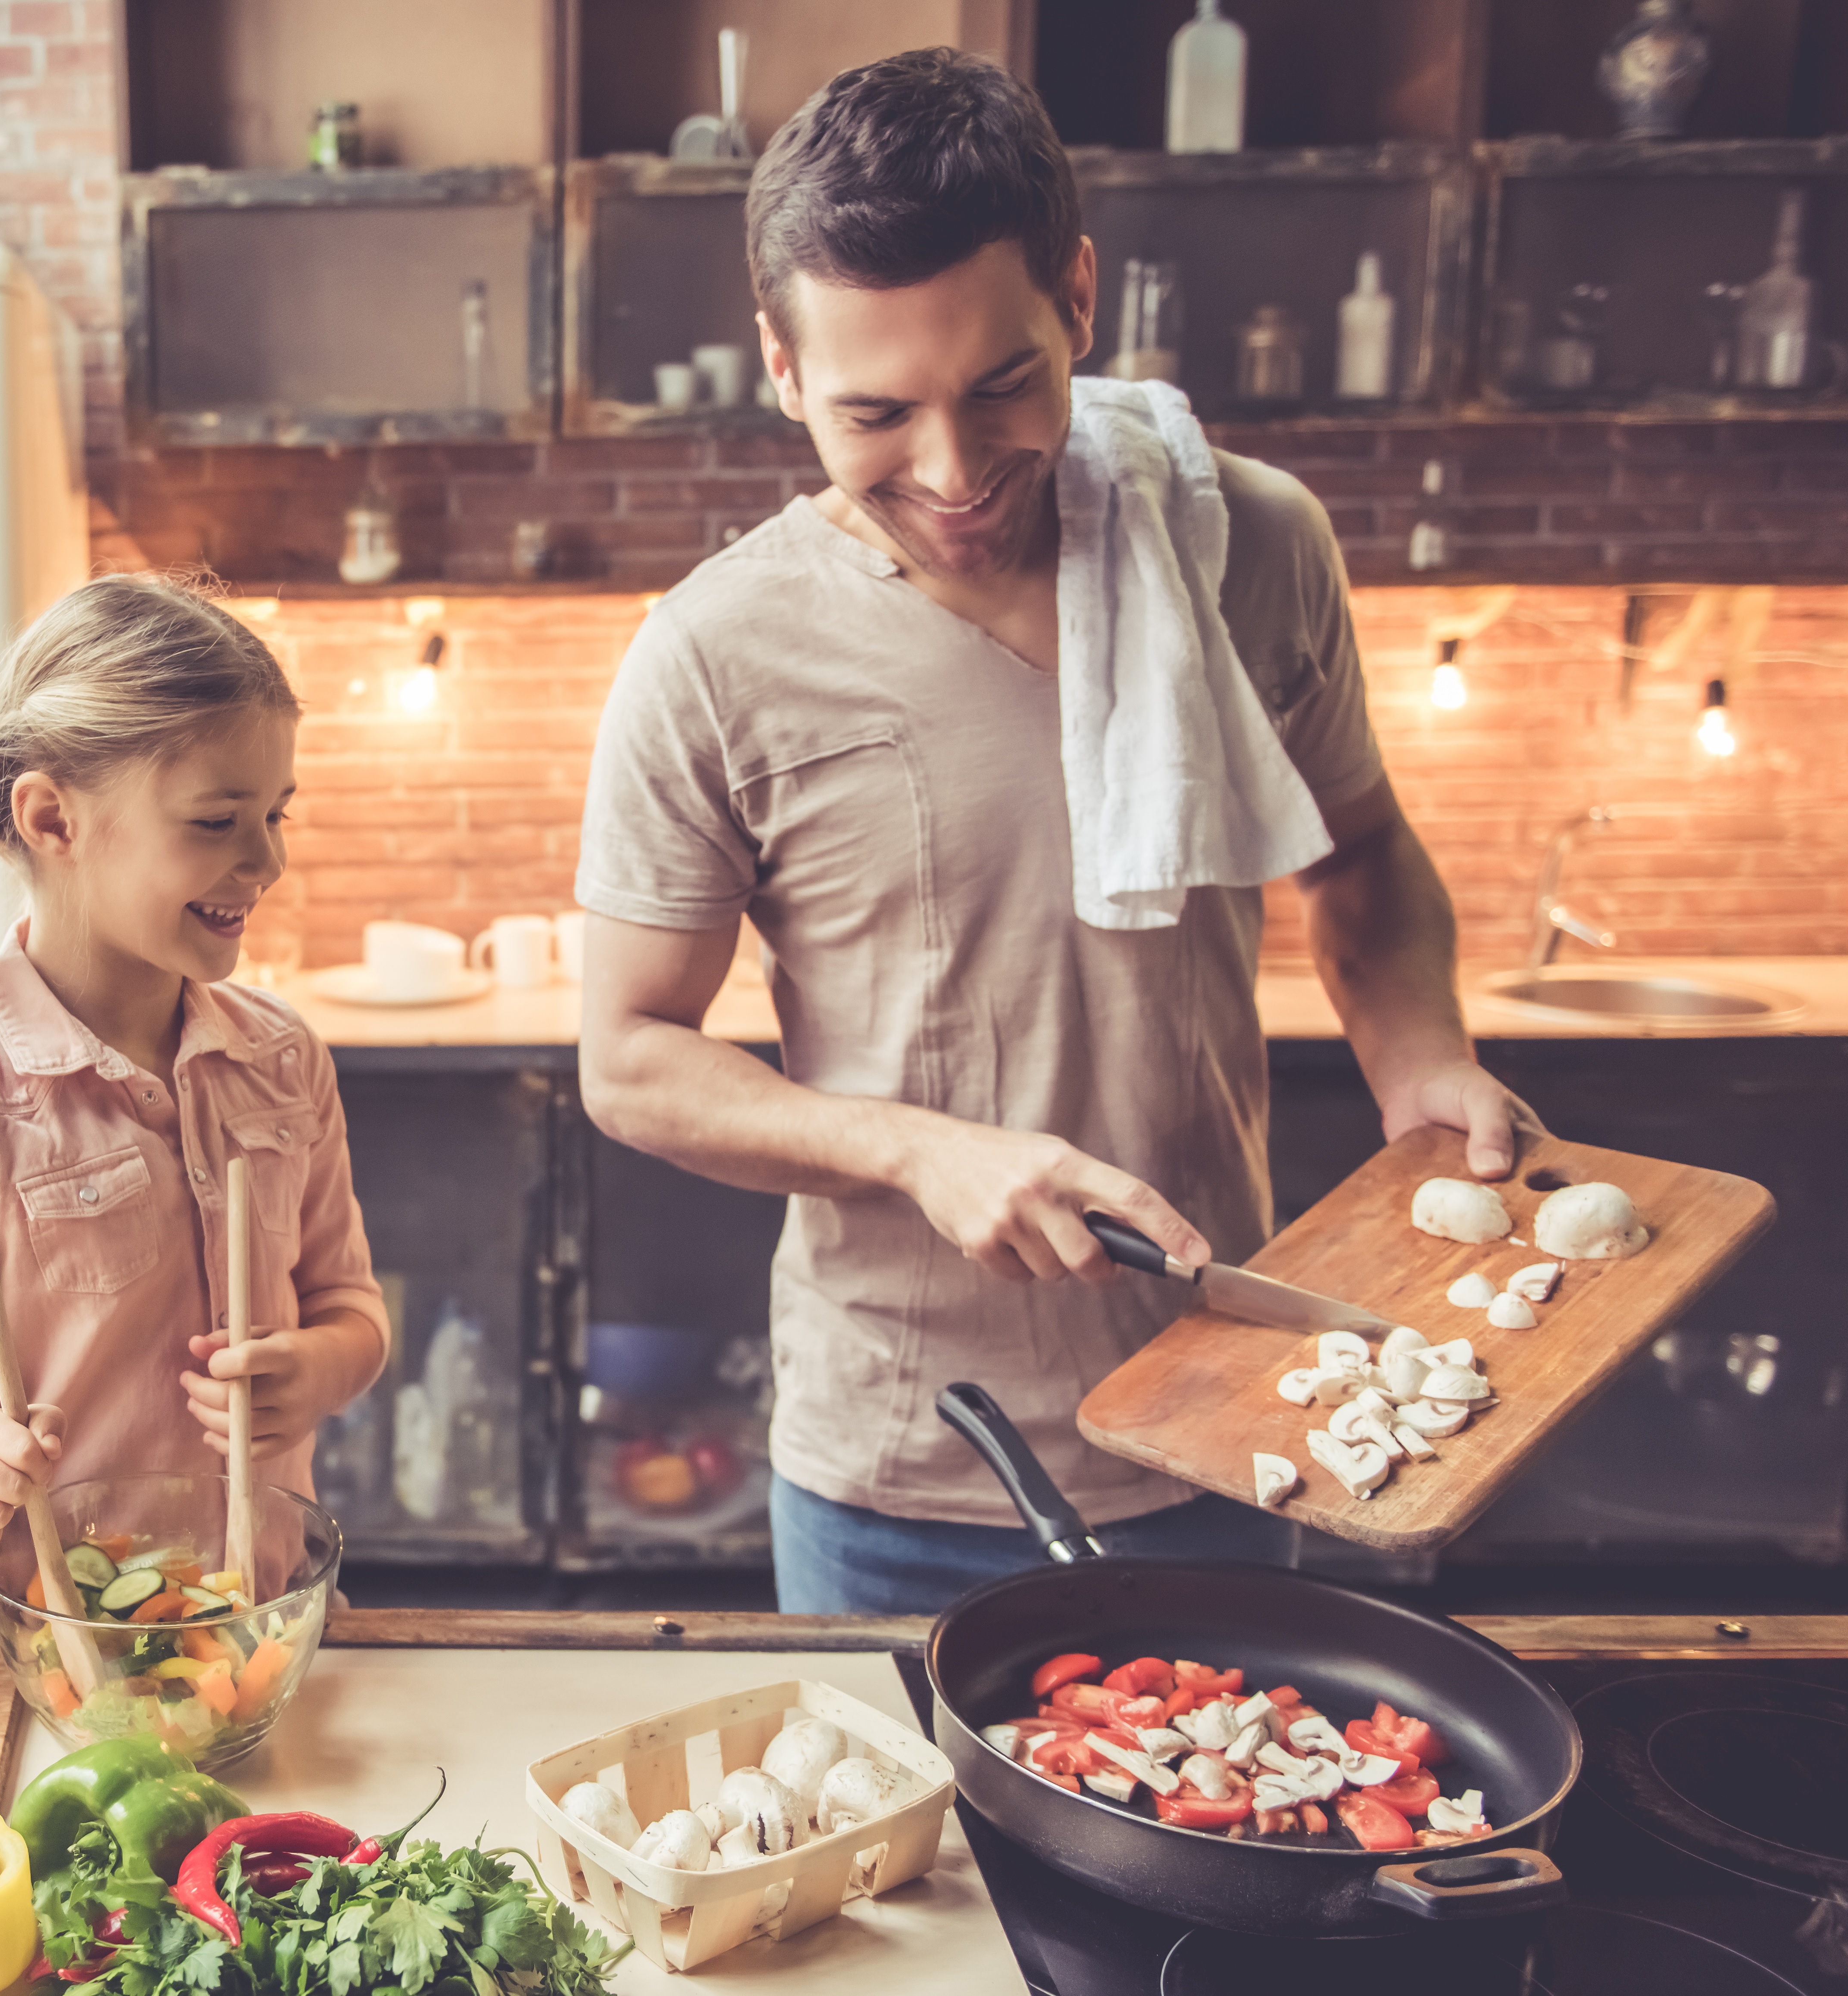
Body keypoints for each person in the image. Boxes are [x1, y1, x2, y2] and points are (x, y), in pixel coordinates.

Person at [574, 51, 1526, 1616]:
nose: (954, 472)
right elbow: (628, 1055)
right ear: (783, 369)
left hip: (1229, 1409)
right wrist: (916, 1146)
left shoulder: (1249, 542)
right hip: (898, 1456)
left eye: (1003, 383)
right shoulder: (713, 651)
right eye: (878, 412)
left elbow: (1355, 849)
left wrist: (1418, 1058)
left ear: (1079, 296)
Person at [0, 575, 388, 1575]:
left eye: (275, 814)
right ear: (51, 820)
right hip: (64, 1661)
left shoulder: (284, 1061)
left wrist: (319, 1368)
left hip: (264, 1625)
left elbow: (350, 1304)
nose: (266, 859)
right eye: (216, 822)